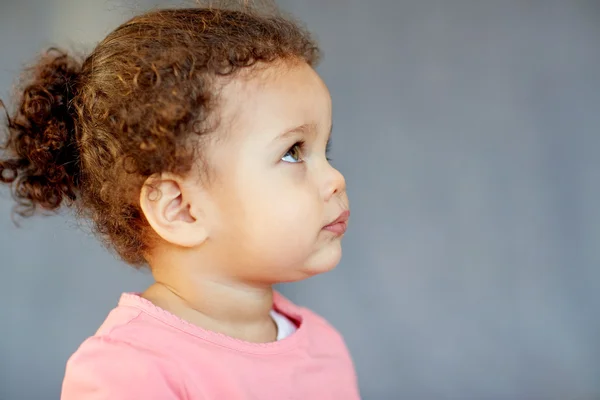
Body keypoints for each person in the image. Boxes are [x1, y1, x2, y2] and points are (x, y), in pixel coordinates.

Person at [0, 4, 359, 400]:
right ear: (181, 209)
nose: (335, 179)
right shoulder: (129, 375)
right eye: (293, 152)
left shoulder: (324, 348)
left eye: (324, 150)